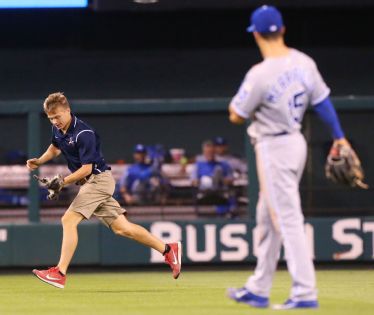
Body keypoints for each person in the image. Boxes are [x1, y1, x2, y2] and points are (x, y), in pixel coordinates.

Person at [227, 5, 350, 310]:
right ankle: (258, 288)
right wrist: (339, 136)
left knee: (286, 218)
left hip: (273, 148)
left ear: (256, 35)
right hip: (296, 143)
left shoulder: (260, 73)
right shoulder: (304, 62)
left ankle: (305, 292)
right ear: (282, 30)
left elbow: (235, 115)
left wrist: (248, 108)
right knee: (267, 217)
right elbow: (322, 104)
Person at [26, 92, 181, 289]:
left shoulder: (84, 133)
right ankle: (168, 250)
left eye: (57, 116)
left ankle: (60, 272)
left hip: (98, 180)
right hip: (90, 183)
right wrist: (39, 160)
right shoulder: (58, 129)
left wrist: (62, 182)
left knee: (68, 220)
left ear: (68, 110)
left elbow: (87, 169)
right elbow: (55, 148)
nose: (55, 121)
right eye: (51, 118)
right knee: (122, 228)